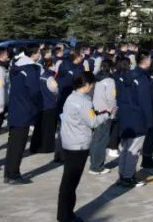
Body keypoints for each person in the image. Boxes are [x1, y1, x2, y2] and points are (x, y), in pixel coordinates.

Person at [58, 72, 110, 222]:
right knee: (71, 183)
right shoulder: (84, 102)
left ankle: (64, 214)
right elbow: (93, 122)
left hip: (68, 141)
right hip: (79, 144)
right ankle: (66, 216)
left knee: (67, 181)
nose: (92, 87)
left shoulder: (71, 97)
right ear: (86, 85)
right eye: (92, 85)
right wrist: (107, 115)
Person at [3, 45, 42, 184]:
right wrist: (39, 105)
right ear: (34, 54)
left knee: (13, 144)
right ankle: (13, 175)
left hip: (15, 109)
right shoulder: (30, 69)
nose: (40, 55)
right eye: (39, 52)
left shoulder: (16, 66)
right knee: (18, 145)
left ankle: (8, 173)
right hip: (25, 110)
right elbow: (34, 91)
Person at [117, 52, 153, 187]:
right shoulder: (142, 79)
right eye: (150, 59)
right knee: (134, 149)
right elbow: (145, 102)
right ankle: (128, 177)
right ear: (146, 61)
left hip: (125, 115)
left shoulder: (126, 75)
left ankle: (123, 174)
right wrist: (149, 122)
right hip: (137, 118)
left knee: (125, 148)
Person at [88, 56, 118, 175]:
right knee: (102, 140)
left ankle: (93, 163)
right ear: (111, 68)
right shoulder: (110, 81)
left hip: (95, 111)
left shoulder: (96, 78)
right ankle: (97, 167)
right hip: (105, 113)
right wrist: (113, 112)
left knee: (96, 139)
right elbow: (111, 99)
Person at [30, 53, 60, 155]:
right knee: (49, 128)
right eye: (54, 64)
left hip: (40, 105)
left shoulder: (38, 76)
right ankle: (47, 147)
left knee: (39, 127)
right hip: (49, 105)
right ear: (50, 66)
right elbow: (55, 89)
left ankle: (35, 147)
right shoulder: (49, 77)